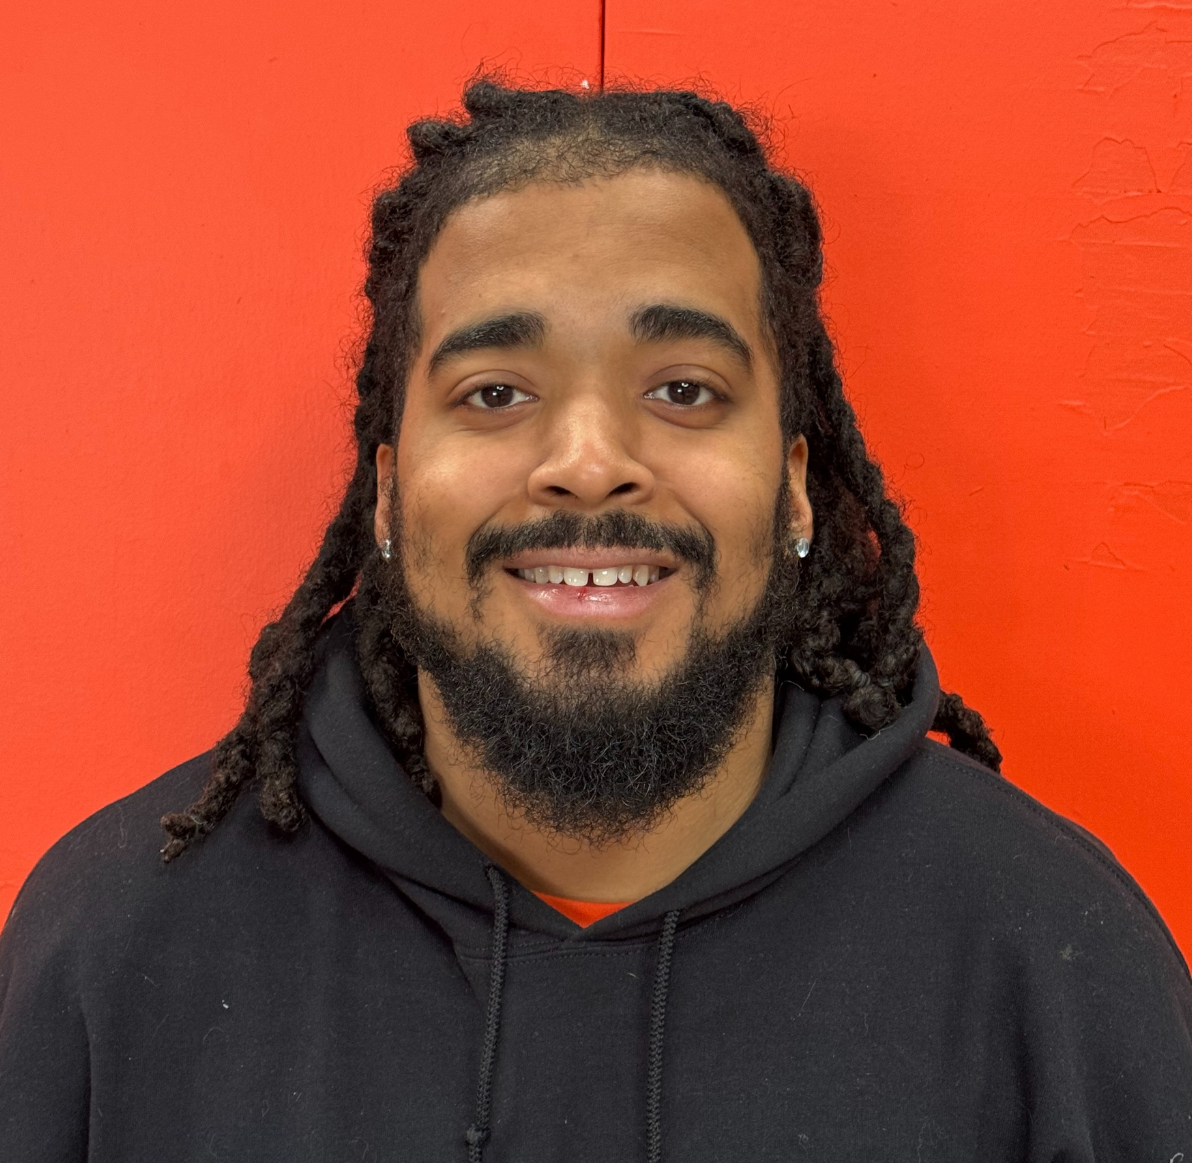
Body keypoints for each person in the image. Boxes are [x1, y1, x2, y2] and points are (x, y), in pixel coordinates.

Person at [1, 80, 1189, 1162]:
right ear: (384, 491)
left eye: (683, 389)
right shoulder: (114, 951)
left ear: (788, 487)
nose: (587, 462)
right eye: (495, 393)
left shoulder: (1054, 960)